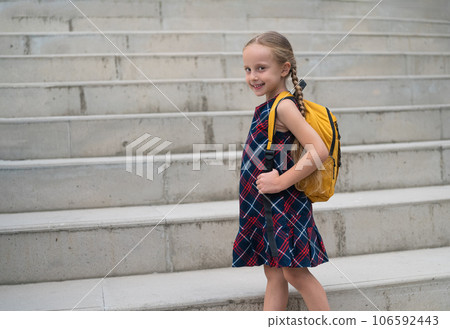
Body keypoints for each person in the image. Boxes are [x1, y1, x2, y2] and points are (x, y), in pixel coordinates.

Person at [232, 31, 330, 311]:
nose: (253, 76)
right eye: (248, 69)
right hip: (266, 206)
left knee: (294, 272)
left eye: (261, 68)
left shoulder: (284, 106)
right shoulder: (267, 107)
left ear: (284, 69)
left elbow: (318, 151)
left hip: (283, 205)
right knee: (274, 272)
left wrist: (279, 182)